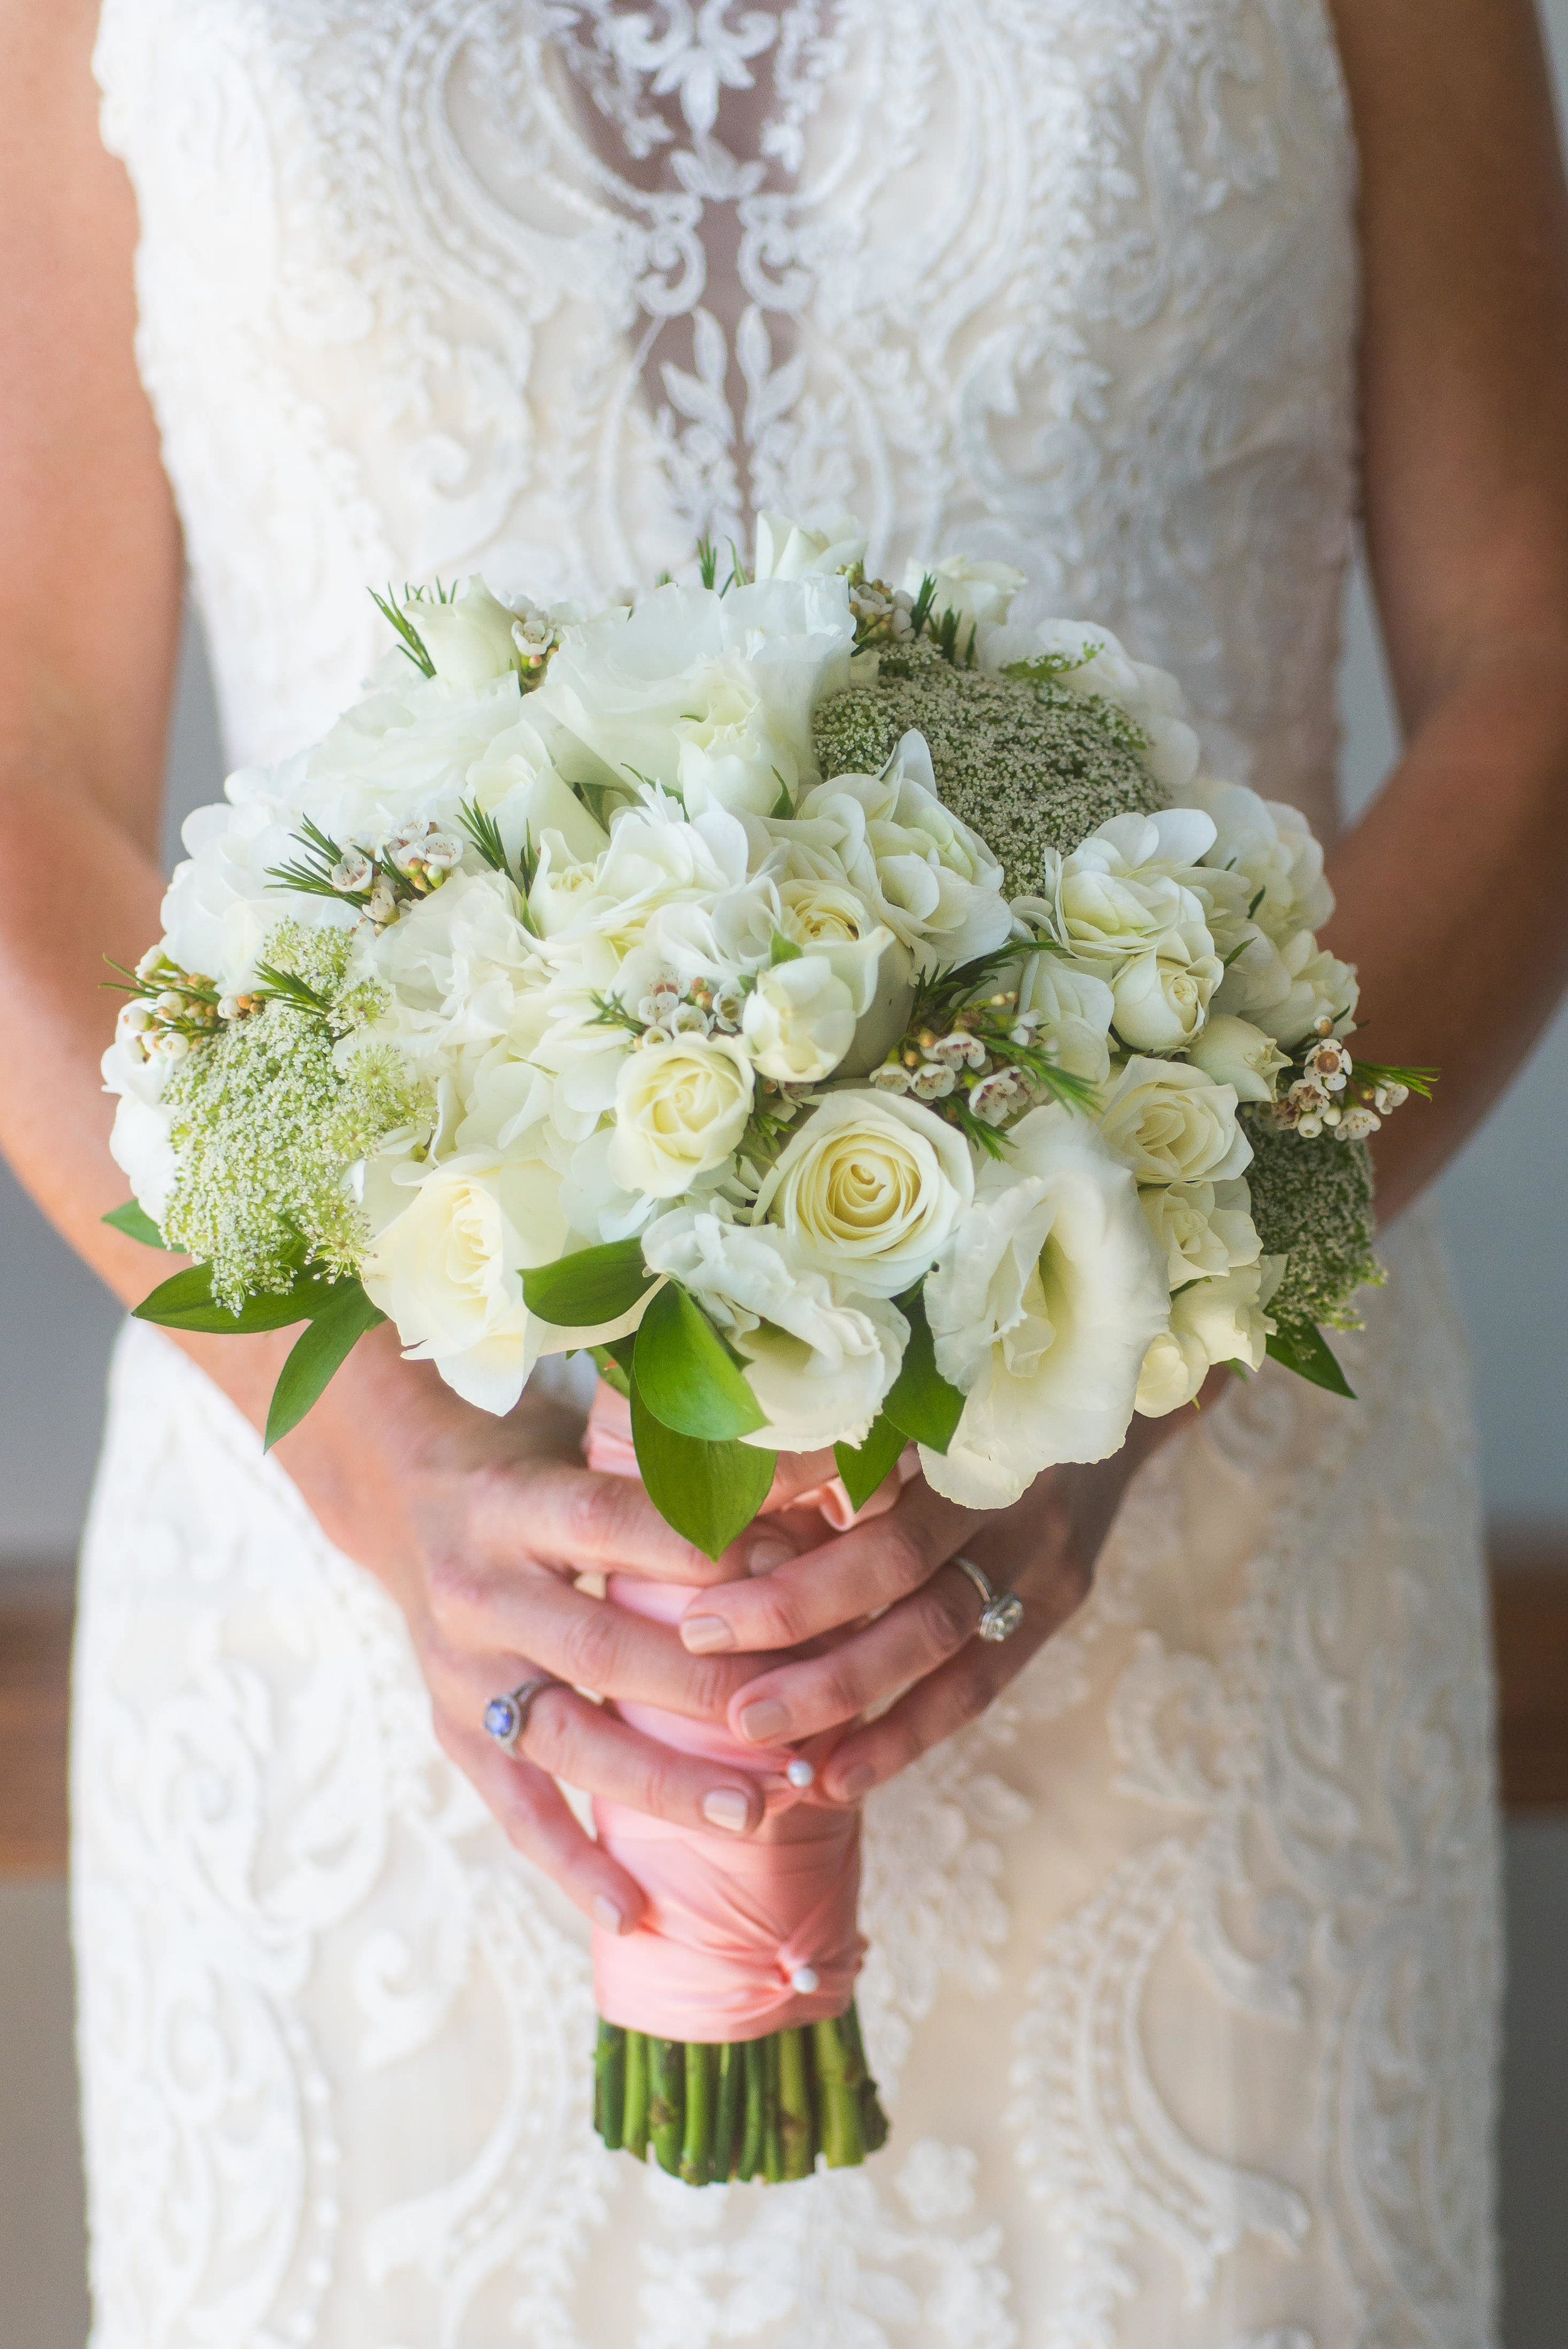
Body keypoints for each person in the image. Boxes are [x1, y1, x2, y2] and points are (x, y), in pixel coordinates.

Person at [4, 0, 1567, 2339]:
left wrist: (1128, 1348)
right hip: (364, 1606)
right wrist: (374, 1457)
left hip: (1203, 1572)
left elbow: (1532, 663)